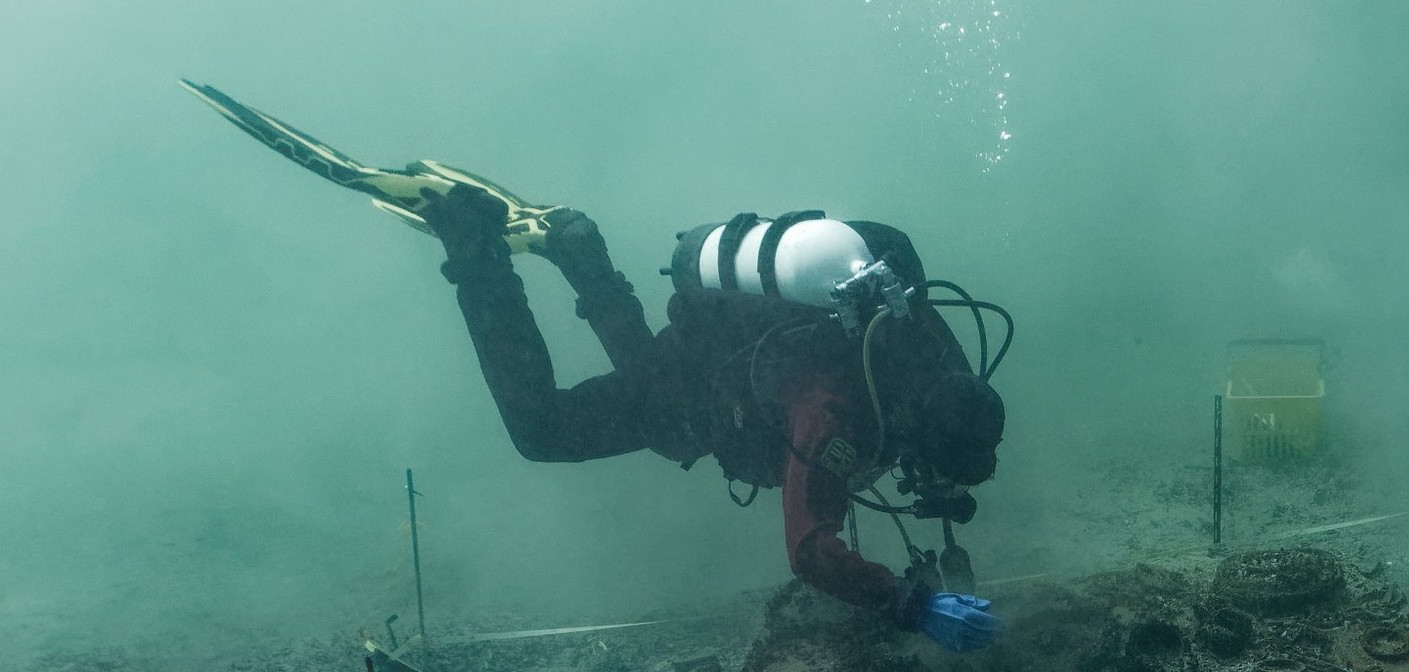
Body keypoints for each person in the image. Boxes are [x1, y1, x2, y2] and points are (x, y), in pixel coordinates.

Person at [424, 188, 1008, 647]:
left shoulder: (921, 343)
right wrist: (915, 605)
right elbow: (807, 549)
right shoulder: (834, 411)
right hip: (702, 391)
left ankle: (582, 255)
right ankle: (476, 255)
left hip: (711, 361)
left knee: (654, 381)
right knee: (545, 432)